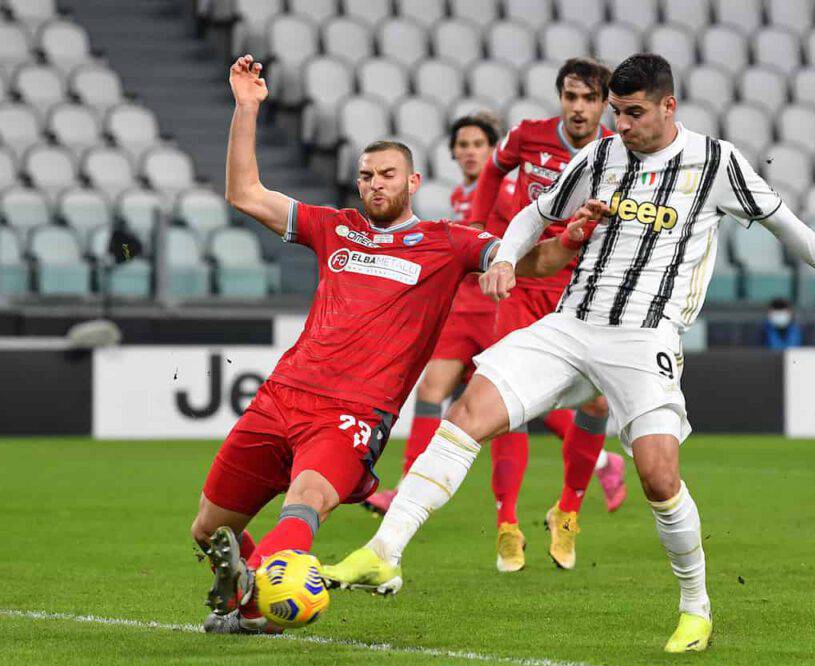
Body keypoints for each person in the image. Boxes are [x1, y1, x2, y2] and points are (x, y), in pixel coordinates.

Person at [322, 53, 815, 653]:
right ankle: (384, 553)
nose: (622, 125)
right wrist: (510, 259)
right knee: (466, 414)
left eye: (635, 113)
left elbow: (788, 225)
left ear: (669, 106)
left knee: (658, 475)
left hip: (645, 339)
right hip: (571, 324)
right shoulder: (599, 155)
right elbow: (535, 213)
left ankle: (696, 608)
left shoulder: (715, 162)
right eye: (616, 113)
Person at [191, 54, 600, 635]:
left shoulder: (445, 242)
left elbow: (529, 259)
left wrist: (568, 241)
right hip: (280, 396)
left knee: (305, 501)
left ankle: (261, 594)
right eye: (365, 176)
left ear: (411, 182)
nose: (374, 184)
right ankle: (256, 599)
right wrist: (247, 108)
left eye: (386, 175)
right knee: (209, 532)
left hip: (352, 413)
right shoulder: (332, 227)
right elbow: (245, 192)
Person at [467, 57, 627, 573]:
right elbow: (492, 172)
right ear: (560, 98)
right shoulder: (528, 136)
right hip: (527, 279)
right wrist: (478, 232)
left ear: (604, 104)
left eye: (589, 99)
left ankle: (568, 513)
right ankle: (507, 524)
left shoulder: (620, 154)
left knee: (598, 405)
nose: (578, 108)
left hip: (582, 288)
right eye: (570, 97)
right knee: (504, 397)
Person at [362, 113, 515, 515]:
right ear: (452, 152)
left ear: (493, 151)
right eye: (462, 145)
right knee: (432, 391)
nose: (469, 152)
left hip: (497, 309)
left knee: (515, 407)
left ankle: (601, 463)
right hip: (462, 309)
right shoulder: (461, 195)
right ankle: (408, 487)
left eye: (478, 144)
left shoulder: (504, 191)